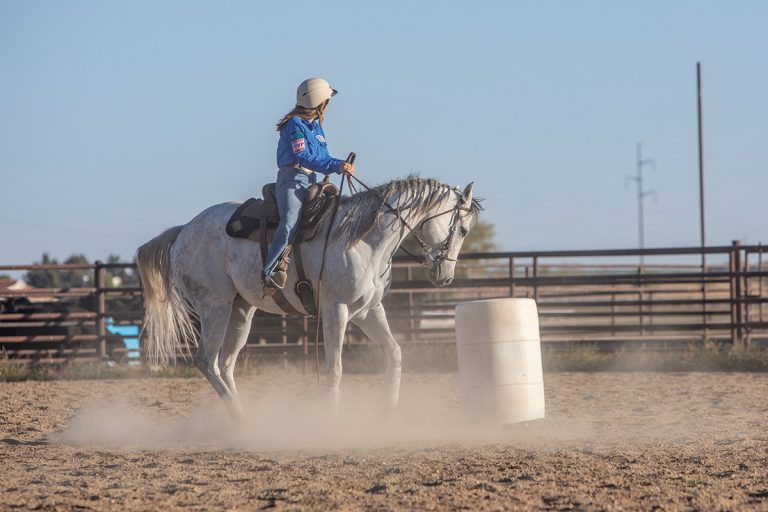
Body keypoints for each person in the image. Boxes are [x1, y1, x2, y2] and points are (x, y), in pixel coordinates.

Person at [262, 77, 355, 291]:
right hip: (292, 179)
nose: (328, 105)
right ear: (320, 102)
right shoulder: (295, 124)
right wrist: (336, 166)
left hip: (312, 178)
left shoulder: (316, 127)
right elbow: (302, 156)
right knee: (289, 223)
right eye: (327, 101)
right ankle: (269, 271)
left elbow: (323, 156)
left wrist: (339, 165)